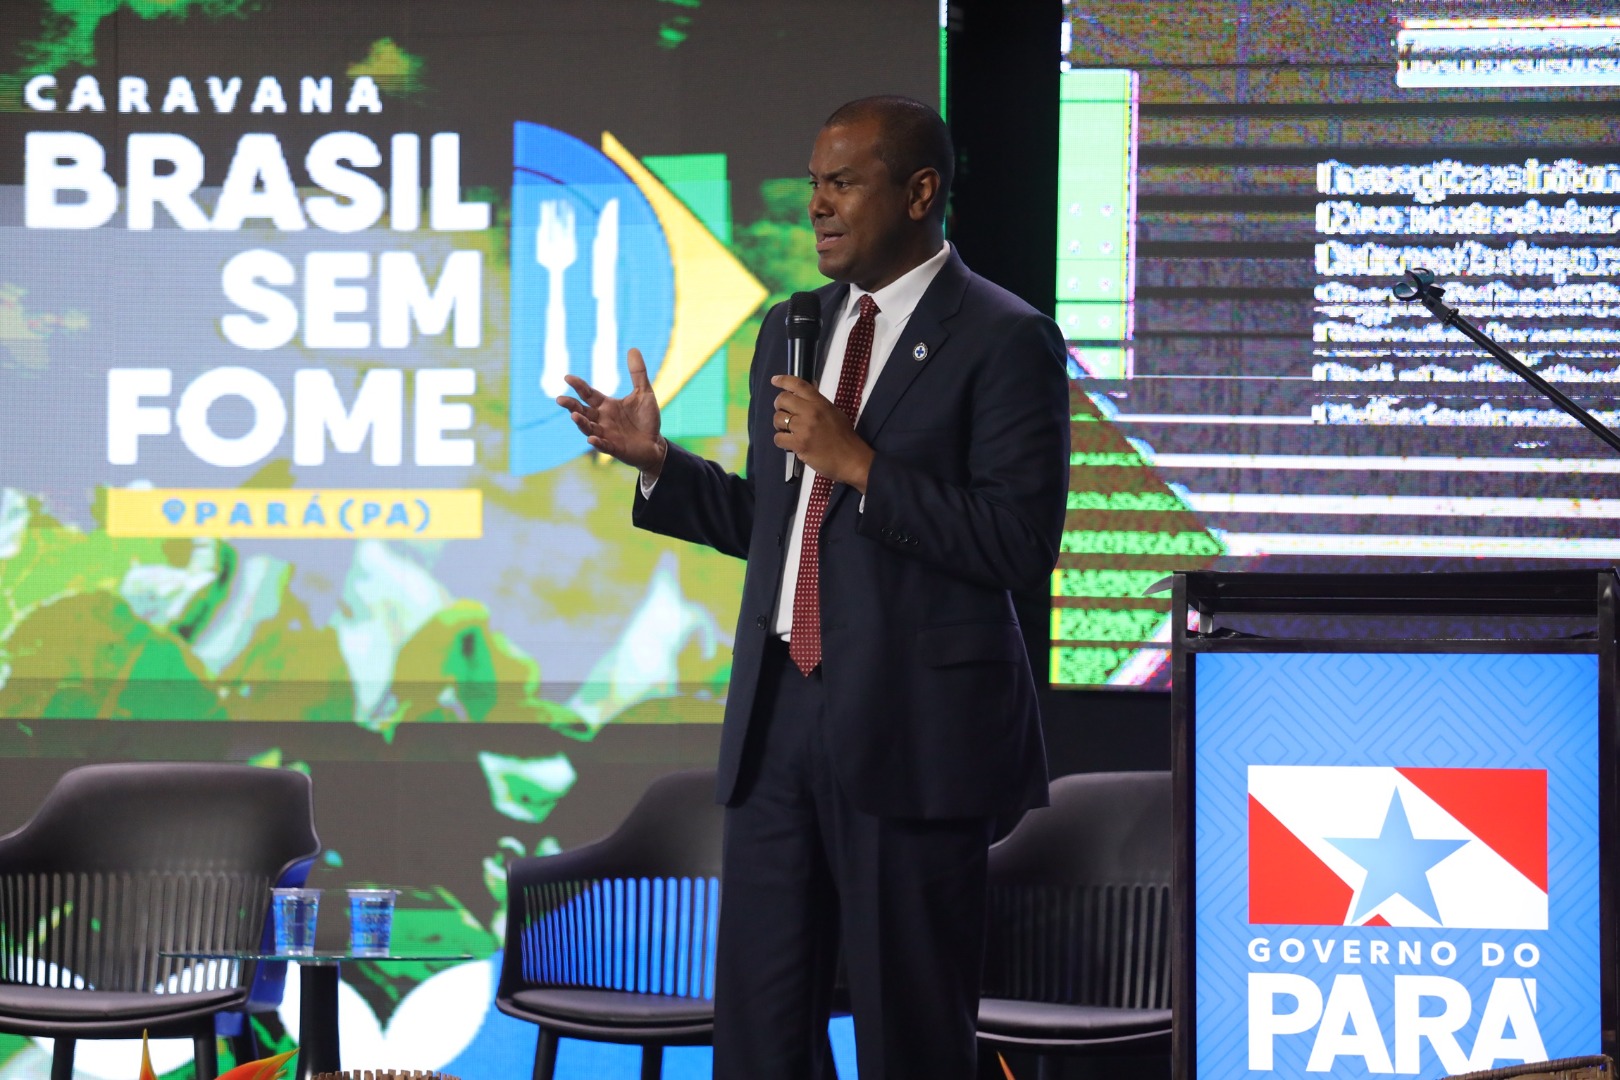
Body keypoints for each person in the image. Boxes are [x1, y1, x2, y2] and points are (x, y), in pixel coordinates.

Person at [556, 95, 1069, 1080]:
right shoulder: (795, 328)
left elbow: (1017, 543)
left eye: (842, 183)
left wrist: (861, 463)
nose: (818, 206)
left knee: (910, 1038)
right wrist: (658, 463)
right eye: (812, 185)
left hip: (914, 733)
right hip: (778, 723)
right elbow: (781, 526)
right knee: (759, 1037)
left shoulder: (1004, 337)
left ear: (919, 192)